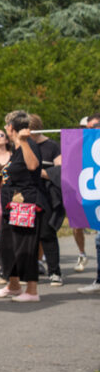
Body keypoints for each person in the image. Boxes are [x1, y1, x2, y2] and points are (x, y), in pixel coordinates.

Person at [0, 110, 46, 302]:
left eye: (6, 126)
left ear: (11, 128)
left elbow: (33, 166)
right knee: (6, 245)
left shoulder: (27, 144)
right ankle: (13, 284)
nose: (5, 129)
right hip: (11, 205)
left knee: (25, 247)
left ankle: (32, 291)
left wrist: (23, 141)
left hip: (26, 204)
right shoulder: (16, 149)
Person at [29, 114, 63, 286]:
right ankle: (29, 270)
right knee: (26, 234)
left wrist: (41, 172)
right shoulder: (25, 145)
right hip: (28, 194)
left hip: (47, 195)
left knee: (47, 233)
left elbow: (60, 168)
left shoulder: (52, 146)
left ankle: (55, 272)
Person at [71, 113, 100, 273]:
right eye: (84, 128)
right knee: (77, 225)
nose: (88, 131)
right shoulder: (80, 144)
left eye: (92, 127)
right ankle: (82, 254)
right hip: (83, 189)